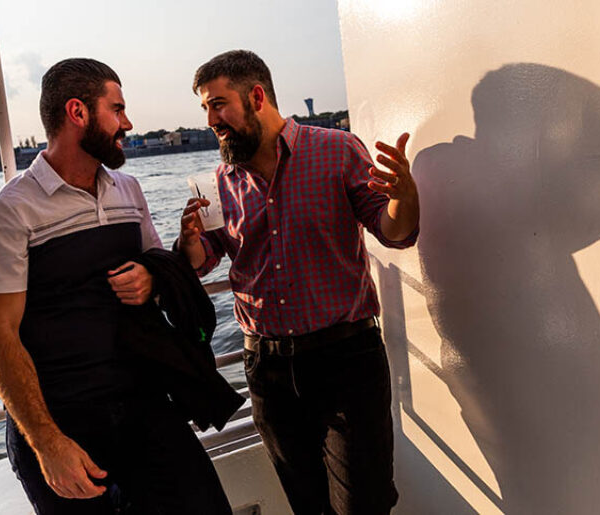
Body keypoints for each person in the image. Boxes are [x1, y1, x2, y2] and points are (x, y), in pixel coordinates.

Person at [0, 58, 232, 514]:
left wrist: (153, 277)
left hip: (144, 405)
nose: (128, 123)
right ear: (78, 113)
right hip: (64, 423)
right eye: (117, 109)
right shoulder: (9, 210)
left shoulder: (129, 189)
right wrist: (47, 444)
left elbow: (157, 264)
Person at [177, 50, 420, 514]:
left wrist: (404, 198)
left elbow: (394, 231)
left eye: (218, 104)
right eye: (205, 108)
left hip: (346, 361)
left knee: (364, 505)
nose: (211, 119)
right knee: (306, 505)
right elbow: (206, 259)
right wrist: (190, 242)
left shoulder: (337, 150)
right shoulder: (221, 181)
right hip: (266, 371)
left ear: (257, 96)